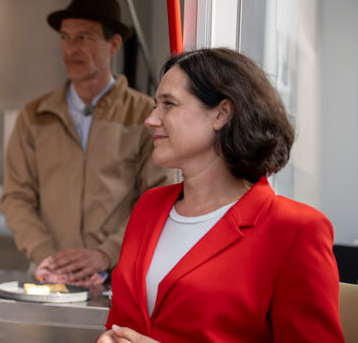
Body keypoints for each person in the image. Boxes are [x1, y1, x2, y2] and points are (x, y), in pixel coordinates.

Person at [98, 48, 343, 342]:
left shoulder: (296, 229)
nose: (151, 120)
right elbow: (120, 325)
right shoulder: (149, 206)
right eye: (155, 105)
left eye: (168, 104)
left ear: (222, 113)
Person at [1, 0, 173, 286]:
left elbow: (159, 198)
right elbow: (17, 197)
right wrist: (48, 257)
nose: (71, 48)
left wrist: (106, 254)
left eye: (84, 37)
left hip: (120, 277)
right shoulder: (35, 115)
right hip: (49, 277)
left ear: (114, 44)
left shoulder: (146, 115)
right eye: (65, 37)